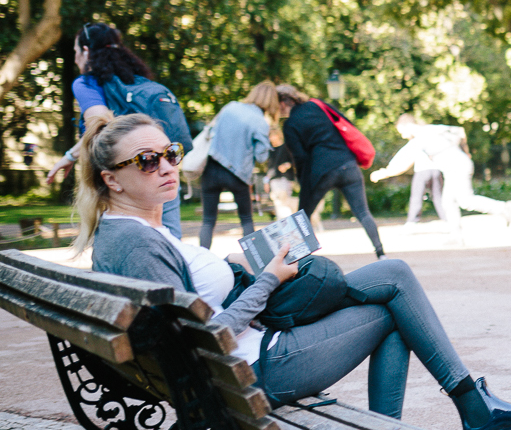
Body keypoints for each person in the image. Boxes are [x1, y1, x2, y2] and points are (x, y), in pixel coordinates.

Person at [74, 113, 511, 430]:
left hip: (239, 364)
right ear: (111, 179)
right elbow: (202, 337)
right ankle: (447, 418)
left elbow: (191, 310)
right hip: (252, 372)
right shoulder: (137, 244)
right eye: (146, 161)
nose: (166, 167)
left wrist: (239, 270)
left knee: (394, 279)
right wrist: (266, 279)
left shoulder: (130, 231)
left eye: (170, 153)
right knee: (394, 299)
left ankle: (458, 414)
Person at [46, 23, 188, 237]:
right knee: (170, 240)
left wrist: (70, 155)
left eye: (76, 52)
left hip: (124, 183)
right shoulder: (137, 83)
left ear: (86, 51)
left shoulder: (87, 83)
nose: (75, 59)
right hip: (162, 171)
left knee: (120, 243)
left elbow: (100, 121)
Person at [277, 85, 384, 258]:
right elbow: (345, 123)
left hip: (322, 171)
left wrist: (303, 183)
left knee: (302, 217)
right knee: (363, 212)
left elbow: (301, 158)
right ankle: (381, 253)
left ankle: (302, 260)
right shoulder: (317, 105)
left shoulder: (290, 125)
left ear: (282, 103)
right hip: (348, 164)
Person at [372, 115, 511, 239]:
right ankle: (456, 236)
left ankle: (502, 208)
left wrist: (384, 173)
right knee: (448, 202)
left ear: (408, 126)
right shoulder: (433, 129)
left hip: (457, 168)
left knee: (465, 201)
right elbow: (460, 131)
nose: (403, 136)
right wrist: (465, 151)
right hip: (457, 166)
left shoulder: (420, 137)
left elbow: (404, 162)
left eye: (402, 132)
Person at [198, 82, 280, 248]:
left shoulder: (230, 107)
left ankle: (200, 259)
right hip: (238, 175)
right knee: (246, 219)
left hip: (212, 168)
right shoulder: (260, 122)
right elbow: (261, 157)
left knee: (208, 220)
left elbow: (212, 133)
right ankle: (252, 261)